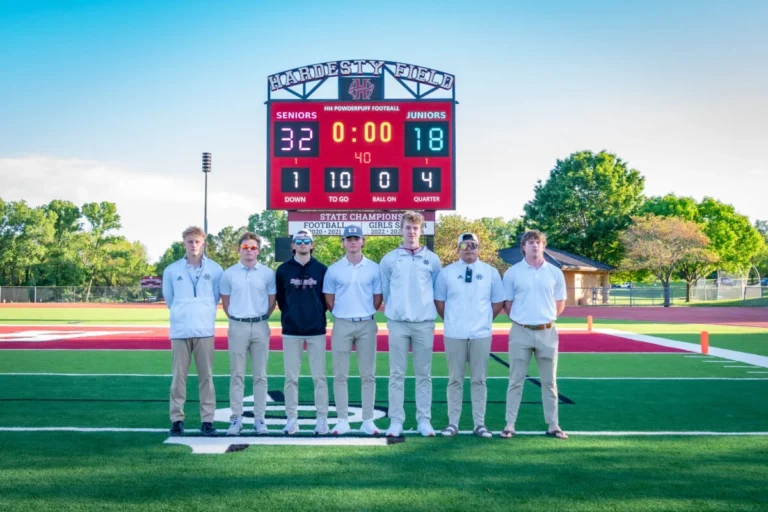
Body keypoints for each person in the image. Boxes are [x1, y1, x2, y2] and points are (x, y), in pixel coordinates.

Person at [434, 233, 505, 439]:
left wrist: (483, 321)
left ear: (478, 248)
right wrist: (453, 320)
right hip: (454, 334)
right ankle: (453, 423)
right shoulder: (446, 273)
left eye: (473, 245)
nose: (469, 249)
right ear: (458, 249)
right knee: (454, 380)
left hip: (481, 334)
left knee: (479, 380)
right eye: (464, 245)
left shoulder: (490, 272)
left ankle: (479, 424)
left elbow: (498, 302)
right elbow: (440, 303)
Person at [379, 211, 441, 437]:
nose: (412, 231)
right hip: (398, 324)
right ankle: (396, 420)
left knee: (424, 375)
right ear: (401, 229)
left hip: (424, 324)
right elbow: (386, 290)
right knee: (397, 374)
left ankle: (424, 420)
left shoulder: (432, 259)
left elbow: (436, 290)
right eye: (408, 227)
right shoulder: (389, 259)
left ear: (421, 230)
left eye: (416, 228)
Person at [502, 230, 568, 439]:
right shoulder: (513, 272)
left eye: (538, 242)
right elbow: (508, 304)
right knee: (515, 380)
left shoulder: (555, 272)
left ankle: (553, 424)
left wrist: (544, 320)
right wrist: (523, 320)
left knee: (549, 382)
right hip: (520, 332)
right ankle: (510, 424)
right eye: (530, 242)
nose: (535, 246)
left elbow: (560, 303)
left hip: (547, 333)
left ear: (544, 246)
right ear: (523, 247)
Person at [162, 226, 223, 436]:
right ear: (184, 243)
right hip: (180, 331)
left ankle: (207, 420)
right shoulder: (171, 270)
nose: (194, 245)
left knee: (206, 378)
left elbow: (216, 298)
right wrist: (183, 313)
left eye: (197, 241)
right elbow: (170, 299)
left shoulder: (215, 269)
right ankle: (177, 419)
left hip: (204, 330)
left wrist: (201, 312)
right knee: (179, 377)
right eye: (190, 241)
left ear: (203, 243)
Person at [323, 225, 383, 435]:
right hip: (342, 324)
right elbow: (329, 299)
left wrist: (363, 313)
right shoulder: (334, 269)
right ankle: (342, 419)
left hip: (366, 323)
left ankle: (367, 420)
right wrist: (344, 313)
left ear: (363, 241)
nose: (353, 242)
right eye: (348, 239)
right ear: (344, 242)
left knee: (368, 375)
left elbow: (377, 299)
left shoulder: (374, 268)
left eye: (356, 238)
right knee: (340, 374)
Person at [220, 232, 276, 436]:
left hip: (260, 325)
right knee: (237, 375)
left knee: (260, 376)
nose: (249, 251)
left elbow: (272, 302)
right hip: (237, 326)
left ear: (259, 250)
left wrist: (260, 318)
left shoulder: (268, 274)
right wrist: (239, 319)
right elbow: (226, 303)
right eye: (245, 247)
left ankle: (260, 419)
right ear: (239, 250)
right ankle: (236, 419)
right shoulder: (229, 274)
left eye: (253, 247)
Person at [275, 229, 330, 435]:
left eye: (307, 240)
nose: (303, 243)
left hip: (316, 330)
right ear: (293, 245)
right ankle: (291, 419)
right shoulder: (282, 271)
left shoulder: (322, 270)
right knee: (291, 378)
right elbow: (281, 299)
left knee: (319, 377)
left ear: (312, 244)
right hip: (291, 331)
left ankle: (322, 419)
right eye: (299, 241)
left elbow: (325, 299)